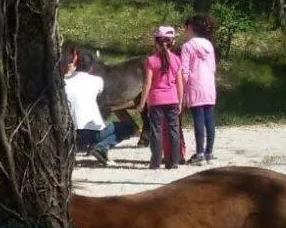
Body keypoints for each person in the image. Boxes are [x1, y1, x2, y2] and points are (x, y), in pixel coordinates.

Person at [62, 46, 137, 165]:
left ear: (75, 63)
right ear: (91, 68)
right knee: (129, 127)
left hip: (70, 133)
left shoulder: (64, 81)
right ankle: (102, 147)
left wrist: (69, 73)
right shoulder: (97, 81)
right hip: (93, 133)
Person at [138, 25, 184, 169]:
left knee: (156, 131)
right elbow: (180, 83)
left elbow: (147, 83)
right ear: (172, 43)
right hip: (172, 99)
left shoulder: (151, 60)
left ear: (156, 42)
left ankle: (156, 162)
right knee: (173, 130)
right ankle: (174, 161)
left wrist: (142, 103)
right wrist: (180, 101)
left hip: (156, 100)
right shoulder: (176, 60)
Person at [181, 13, 218, 165]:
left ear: (190, 27)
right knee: (209, 119)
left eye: (185, 28)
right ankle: (209, 152)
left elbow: (184, 71)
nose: (185, 31)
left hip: (194, 85)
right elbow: (213, 67)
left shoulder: (187, 46)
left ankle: (199, 153)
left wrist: (182, 90)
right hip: (209, 85)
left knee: (198, 120)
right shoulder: (209, 44)